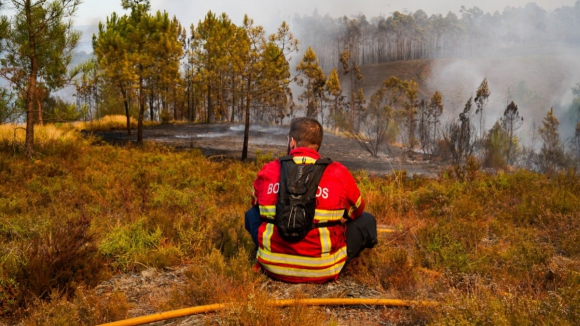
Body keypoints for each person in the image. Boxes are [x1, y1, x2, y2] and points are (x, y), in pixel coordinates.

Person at [245, 117, 377, 283]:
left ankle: (271, 253)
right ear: (318, 144)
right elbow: (358, 210)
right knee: (367, 220)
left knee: (251, 214)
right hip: (323, 269)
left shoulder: (269, 169)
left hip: (272, 267)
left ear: (292, 142)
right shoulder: (337, 172)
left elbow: (254, 203)